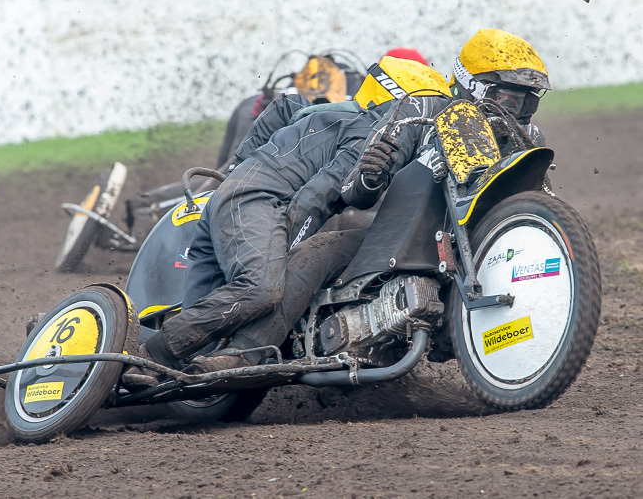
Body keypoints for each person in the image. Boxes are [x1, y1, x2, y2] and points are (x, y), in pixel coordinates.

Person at [211, 28, 554, 367]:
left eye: (529, 100)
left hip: (463, 253)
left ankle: (518, 355)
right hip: (379, 234)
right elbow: (356, 190)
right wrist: (372, 175)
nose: (519, 109)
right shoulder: (425, 109)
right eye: (508, 97)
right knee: (314, 256)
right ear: (472, 86)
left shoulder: (524, 140)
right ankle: (243, 352)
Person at [134, 55, 452, 378]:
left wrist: (236, 170)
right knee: (262, 289)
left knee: (200, 352)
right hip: (256, 200)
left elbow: (284, 108)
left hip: (241, 198)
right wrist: (283, 256)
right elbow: (314, 200)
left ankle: (155, 368)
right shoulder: (365, 132)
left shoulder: (338, 115)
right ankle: (150, 354)